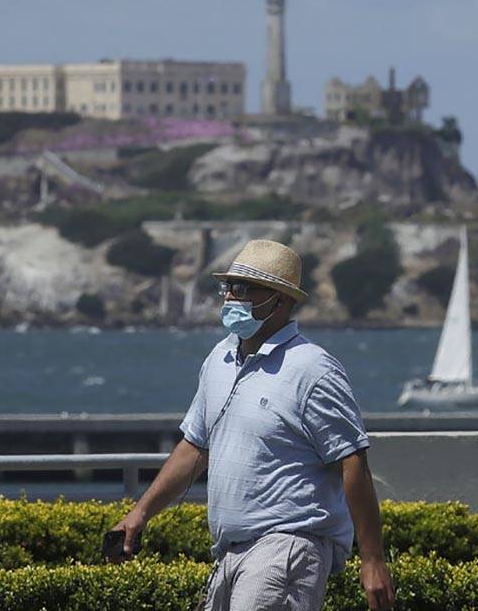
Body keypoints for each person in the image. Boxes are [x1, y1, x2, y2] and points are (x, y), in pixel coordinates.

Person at [110, 239, 395, 611]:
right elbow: (195, 446)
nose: (230, 297)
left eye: (243, 289)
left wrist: (372, 559)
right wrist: (140, 512)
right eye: (227, 287)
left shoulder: (312, 369)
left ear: (280, 300)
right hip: (231, 550)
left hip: (289, 545)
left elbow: (352, 461)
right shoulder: (220, 358)